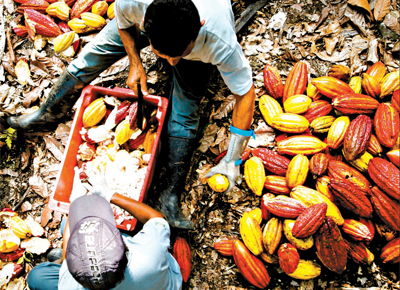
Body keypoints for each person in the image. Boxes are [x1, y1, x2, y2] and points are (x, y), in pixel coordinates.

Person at [7, 0, 256, 230]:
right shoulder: (136, 2)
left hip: (200, 40)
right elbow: (123, 23)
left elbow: (245, 94)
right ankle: (46, 113)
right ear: (145, 21)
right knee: (94, 53)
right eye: (162, 55)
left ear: (198, 27)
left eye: (177, 54)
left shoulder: (219, 38)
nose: (170, 63)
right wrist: (135, 62)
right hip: (162, 28)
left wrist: (232, 158)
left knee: (186, 106)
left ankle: (167, 195)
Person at [26, 172, 183, 290]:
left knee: (37, 277)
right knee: (68, 224)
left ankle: (78, 260)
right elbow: (155, 218)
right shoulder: (148, 256)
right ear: (125, 250)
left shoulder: (70, 285)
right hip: (156, 283)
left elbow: (68, 255)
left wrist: (73, 205)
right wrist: (111, 195)